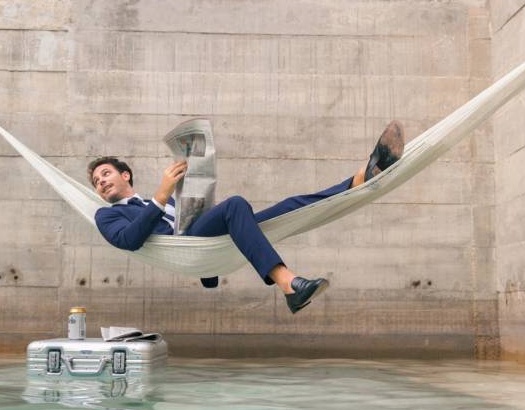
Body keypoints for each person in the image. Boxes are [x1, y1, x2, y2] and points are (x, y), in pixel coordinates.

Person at [89, 121, 404, 314]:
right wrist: (161, 195)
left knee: (290, 206)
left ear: (126, 175)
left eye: (106, 174)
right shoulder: (107, 215)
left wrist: (188, 192)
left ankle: (360, 179)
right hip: (188, 251)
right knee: (235, 204)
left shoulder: (160, 201)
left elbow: (184, 224)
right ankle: (289, 285)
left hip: (206, 247)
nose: (101, 182)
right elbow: (128, 240)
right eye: (97, 182)